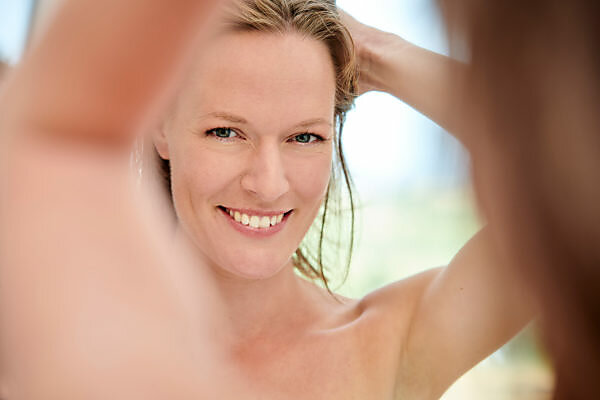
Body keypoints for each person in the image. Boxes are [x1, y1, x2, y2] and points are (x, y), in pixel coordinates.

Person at [0, 0, 535, 398]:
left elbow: (573, 190)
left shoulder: (393, 341)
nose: (268, 183)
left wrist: (377, 51)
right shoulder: (48, 337)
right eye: (226, 132)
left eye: (305, 137)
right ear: (161, 127)